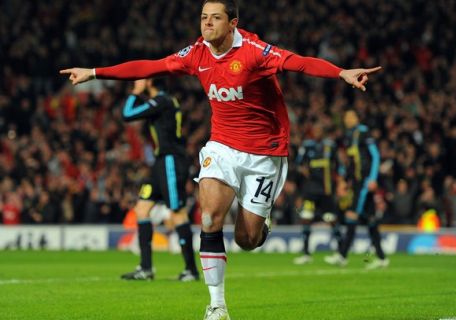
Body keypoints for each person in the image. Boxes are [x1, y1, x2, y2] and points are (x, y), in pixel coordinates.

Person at [60, 1, 381, 318]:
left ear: (233, 23)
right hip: (222, 147)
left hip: (264, 153)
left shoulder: (255, 51)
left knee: (247, 240)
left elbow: (298, 63)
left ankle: (260, 224)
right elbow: (151, 66)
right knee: (210, 218)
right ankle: (217, 305)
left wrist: (341, 72)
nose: (207, 24)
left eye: (215, 18)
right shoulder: (196, 53)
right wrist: (94, 72)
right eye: (203, 17)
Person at [119, 78, 199, 282]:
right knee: (142, 209)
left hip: (171, 161)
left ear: (150, 81)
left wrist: (135, 92)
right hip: (160, 162)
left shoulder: (162, 101)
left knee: (177, 213)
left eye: (142, 78)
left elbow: (127, 114)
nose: (138, 80)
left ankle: (191, 269)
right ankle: (146, 268)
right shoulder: (166, 101)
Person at [324, 109, 389, 269]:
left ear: (357, 118)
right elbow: (351, 163)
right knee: (371, 220)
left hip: (365, 181)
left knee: (351, 215)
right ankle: (381, 258)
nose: (348, 119)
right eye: (346, 117)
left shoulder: (364, 133)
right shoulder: (348, 137)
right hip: (357, 182)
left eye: (351, 116)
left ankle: (342, 255)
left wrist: (373, 178)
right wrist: (345, 181)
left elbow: (375, 156)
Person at [293, 124, 343, 265]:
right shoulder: (307, 146)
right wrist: (304, 170)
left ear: (323, 132)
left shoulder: (330, 146)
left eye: (319, 130)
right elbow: (298, 163)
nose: (317, 132)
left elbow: (338, 165)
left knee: (331, 219)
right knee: (306, 218)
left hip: (326, 191)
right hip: (310, 191)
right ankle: (306, 254)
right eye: (315, 130)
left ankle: (340, 252)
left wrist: (340, 182)